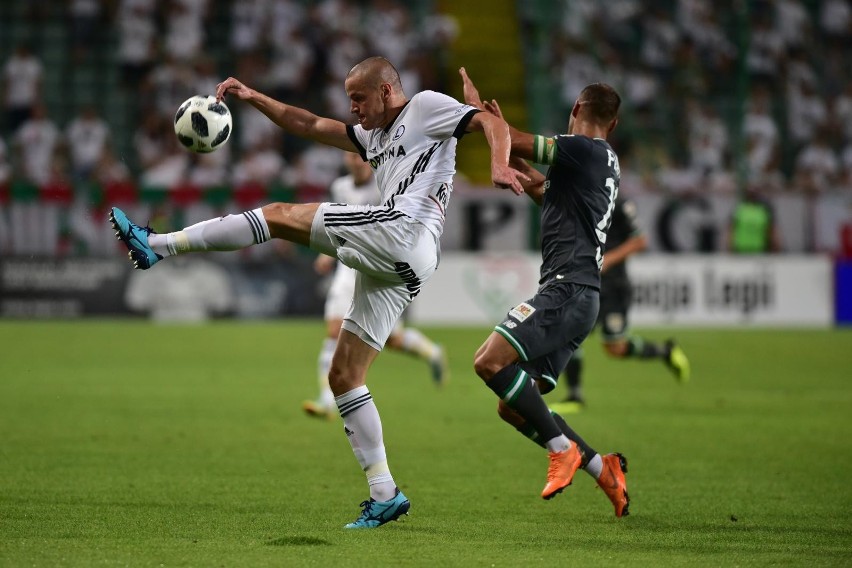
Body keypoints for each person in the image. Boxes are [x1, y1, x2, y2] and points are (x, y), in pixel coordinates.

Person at [109, 56, 527, 529]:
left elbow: (490, 121)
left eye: (359, 98)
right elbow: (308, 123)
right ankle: (385, 492)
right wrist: (254, 97)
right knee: (345, 375)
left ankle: (159, 245)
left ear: (387, 92)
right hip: (403, 261)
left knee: (280, 215)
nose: (353, 109)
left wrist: (497, 163)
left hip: (404, 230)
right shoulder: (373, 136)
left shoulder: (427, 107)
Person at [460, 67, 629, 517]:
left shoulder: (581, 150)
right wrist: (500, 136)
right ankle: (603, 468)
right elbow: (540, 187)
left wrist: (482, 118)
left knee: (488, 360)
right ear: (613, 124)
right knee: (514, 406)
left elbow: (516, 141)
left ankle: (561, 448)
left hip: (567, 288)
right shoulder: (601, 161)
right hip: (581, 295)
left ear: (576, 110)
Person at [304, 151, 449, 419]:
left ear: (370, 160)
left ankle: (432, 353)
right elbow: (335, 224)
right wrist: (326, 254)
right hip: (348, 268)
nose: (355, 160)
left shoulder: (385, 185)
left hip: (377, 269)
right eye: (349, 156)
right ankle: (326, 400)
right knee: (334, 330)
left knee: (392, 339)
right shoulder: (340, 187)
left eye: (359, 156)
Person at [551, 196, 690, 415]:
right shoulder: (582, 198)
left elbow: (640, 241)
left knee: (616, 348)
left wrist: (609, 259)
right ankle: (575, 396)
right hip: (587, 282)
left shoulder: (621, 204)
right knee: (570, 335)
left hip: (614, 288)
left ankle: (665, 351)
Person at [727, 186, 781, 253]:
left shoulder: (763, 210)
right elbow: (731, 229)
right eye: (750, 193)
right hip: (741, 248)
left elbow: (771, 229)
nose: (752, 196)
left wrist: (774, 245)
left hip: (759, 249)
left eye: (754, 193)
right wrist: (729, 246)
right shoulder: (739, 209)